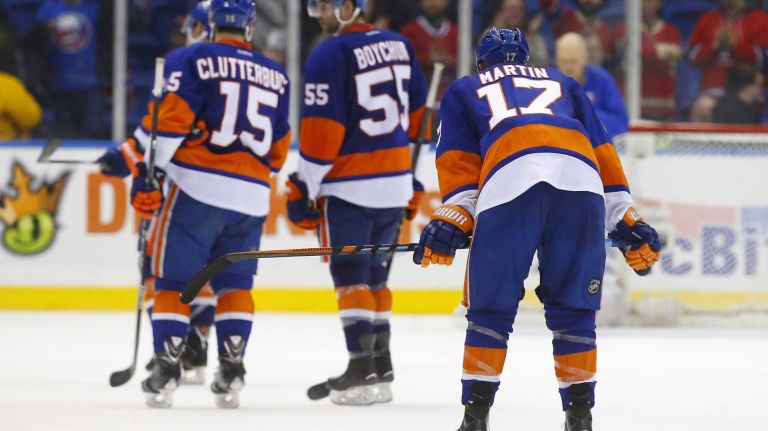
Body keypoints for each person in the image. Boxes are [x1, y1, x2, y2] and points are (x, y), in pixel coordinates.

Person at [414, 28, 660, 430]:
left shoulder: (464, 89)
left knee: (490, 311)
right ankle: (578, 418)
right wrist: (625, 216)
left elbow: (459, 164)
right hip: (582, 185)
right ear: (526, 62)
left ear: (481, 64)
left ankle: (475, 419)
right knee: (575, 311)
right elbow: (603, 152)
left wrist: (456, 215)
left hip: (509, 183)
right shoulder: (563, 82)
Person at [99, 0, 291, 408]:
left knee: (170, 280)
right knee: (235, 284)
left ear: (209, 23)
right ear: (251, 25)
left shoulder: (191, 57)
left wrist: (136, 165)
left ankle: (168, 368)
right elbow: (277, 152)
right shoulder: (276, 73)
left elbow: (167, 129)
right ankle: (232, 369)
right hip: (253, 196)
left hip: (196, 190)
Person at [287, 0, 428, 406]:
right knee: (377, 276)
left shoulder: (330, 53)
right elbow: (418, 117)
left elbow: (320, 132)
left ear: (352, 5)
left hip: (349, 186)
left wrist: (304, 186)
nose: (319, 15)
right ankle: (381, 364)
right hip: (394, 184)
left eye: (325, 6)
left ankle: (360, 364)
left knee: (351, 274)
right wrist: (406, 172)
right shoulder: (400, 45)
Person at [97, 1, 217, 387]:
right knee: (207, 269)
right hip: (225, 191)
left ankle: (171, 349)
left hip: (178, 185)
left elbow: (157, 131)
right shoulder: (240, 71)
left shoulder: (186, 64)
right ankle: (197, 344)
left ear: (202, 28)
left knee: (159, 268)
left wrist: (123, 157)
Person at [36, 0, 103, 138]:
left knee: (92, 134)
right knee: (64, 136)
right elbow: (34, 41)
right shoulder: (48, 8)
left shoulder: (93, 7)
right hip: (59, 85)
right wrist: (45, 28)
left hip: (89, 86)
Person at [617, 0, 683, 121]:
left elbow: (675, 58)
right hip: (633, 108)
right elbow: (629, 52)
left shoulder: (671, 32)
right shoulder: (624, 30)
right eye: (642, 1)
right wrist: (661, 51)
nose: (645, 4)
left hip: (664, 110)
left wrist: (644, 53)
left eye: (650, 1)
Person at [556, 32, 628, 140]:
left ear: (585, 58)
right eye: (563, 61)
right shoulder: (548, 81)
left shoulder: (602, 80)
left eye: (573, 61)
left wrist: (586, 113)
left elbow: (621, 122)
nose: (568, 68)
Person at [689, 0, 768, 96]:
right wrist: (714, 45)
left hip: (745, 92)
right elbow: (692, 57)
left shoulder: (760, 20)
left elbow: (764, 59)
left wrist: (736, 45)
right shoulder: (707, 20)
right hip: (711, 91)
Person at [400, 0, 458, 94]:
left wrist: (450, 60)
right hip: (418, 89)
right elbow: (403, 60)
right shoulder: (409, 30)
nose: (433, 3)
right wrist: (428, 59)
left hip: (449, 89)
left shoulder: (456, 31)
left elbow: (464, 60)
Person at [0, 71, 42, 139]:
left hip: (8, 145)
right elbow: (31, 118)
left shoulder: (5, 84)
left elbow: (31, 118)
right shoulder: (5, 83)